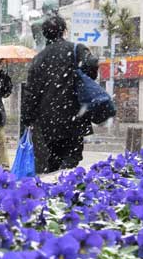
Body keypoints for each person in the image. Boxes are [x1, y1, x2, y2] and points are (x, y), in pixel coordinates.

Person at [21, 13, 99, 173]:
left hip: (49, 118)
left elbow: (31, 92)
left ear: (44, 34)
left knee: (54, 157)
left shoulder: (39, 59)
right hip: (74, 113)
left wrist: (27, 117)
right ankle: (63, 183)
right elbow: (91, 65)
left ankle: (54, 184)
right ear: (64, 31)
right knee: (72, 155)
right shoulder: (76, 50)